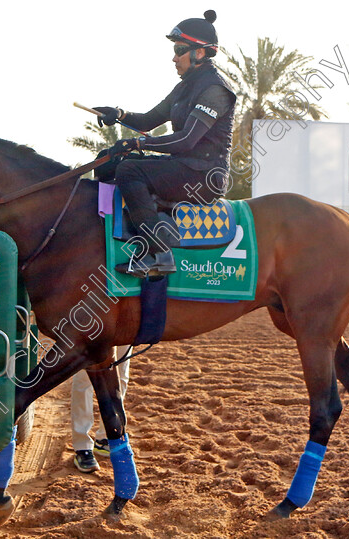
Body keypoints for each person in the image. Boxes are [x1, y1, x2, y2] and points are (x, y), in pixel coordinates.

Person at [93, 10, 236, 279]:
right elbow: (148, 120)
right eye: (174, 50)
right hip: (184, 166)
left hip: (205, 175)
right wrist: (119, 114)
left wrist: (137, 142)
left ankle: (158, 254)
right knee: (109, 161)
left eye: (180, 50)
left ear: (200, 53)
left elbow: (186, 140)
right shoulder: (183, 87)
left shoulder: (214, 89)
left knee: (129, 171)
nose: (174, 57)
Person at [71, 346, 131, 473]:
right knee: (84, 377)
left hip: (126, 327)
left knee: (120, 376)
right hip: (95, 327)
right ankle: (82, 445)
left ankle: (105, 438)